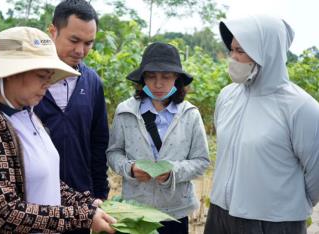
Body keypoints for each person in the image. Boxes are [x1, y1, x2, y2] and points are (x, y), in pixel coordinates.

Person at [0, 26, 115, 233]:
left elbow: (43, 178)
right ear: (10, 73)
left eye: (50, 76)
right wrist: (82, 216)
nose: (48, 84)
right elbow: (3, 212)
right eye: (42, 76)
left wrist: (85, 203)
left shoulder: (27, 115)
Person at [204, 15, 319, 234]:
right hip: (220, 214)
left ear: (266, 52)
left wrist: (283, 203)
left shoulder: (301, 107)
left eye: (241, 51)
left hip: (273, 222)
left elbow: (316, 174)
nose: (233, 58)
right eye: (232, 50)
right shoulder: (227, 97)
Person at [106, 42, 210, 234]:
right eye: (151, 76)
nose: (158, 84)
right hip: (135, 210)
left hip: (175, 212)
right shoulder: (125, 111)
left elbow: (202, 161)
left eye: (166, 76)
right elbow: (113, 153)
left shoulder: (190, 115)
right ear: (143, 78)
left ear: (176, 78)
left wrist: (173, 172)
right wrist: (130, 168)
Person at [35, 3, 110, 231]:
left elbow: (98, 143)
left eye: (88, 43)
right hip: (36, 200)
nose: (80, 51)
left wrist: (99, 193)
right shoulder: (27, 79)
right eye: (74, 40)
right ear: (53, 31)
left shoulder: (92, 82)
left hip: (81, 200)